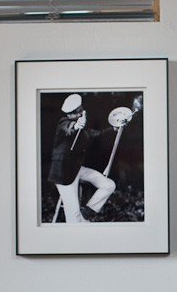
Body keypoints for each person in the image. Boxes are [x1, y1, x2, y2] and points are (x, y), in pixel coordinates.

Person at [47, 94, 123, 223]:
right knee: (73, 215)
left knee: (109, 185)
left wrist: (113, 129)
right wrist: (76, 126)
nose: (82, 113)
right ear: (74, 113)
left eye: (82, 110)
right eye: (80, 111)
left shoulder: (82, 128)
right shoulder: (63, 122)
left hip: (77, 169)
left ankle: (87, 213)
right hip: (63, 174)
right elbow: (68, 129)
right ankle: (77, 228)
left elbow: (94, 134)